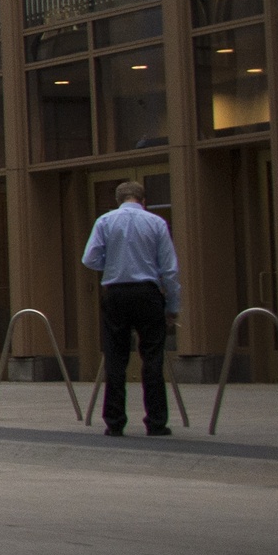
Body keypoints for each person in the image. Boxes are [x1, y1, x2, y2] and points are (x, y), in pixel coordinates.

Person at [81, 180, 180, 437]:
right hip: (147, 292)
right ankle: (156, 421)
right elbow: (169, 269)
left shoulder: (105, 221)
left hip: (116, 292)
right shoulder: (156, 223)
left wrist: (110, 263)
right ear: (143, 200)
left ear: (118, 200)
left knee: (115, 357)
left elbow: (89, 257)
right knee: (152, 357)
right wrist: (172, 305)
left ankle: (114, 421)